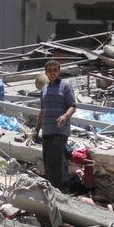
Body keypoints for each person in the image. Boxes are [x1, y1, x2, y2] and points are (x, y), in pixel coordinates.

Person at [34, 60, 77, 189]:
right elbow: (42, 111)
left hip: (60, 130)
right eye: (49, 70)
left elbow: (73, 106)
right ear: (46, 73)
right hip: (47, 131)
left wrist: (65, 116)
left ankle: (60, 190)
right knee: (48, 163)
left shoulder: (66, 86)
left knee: (56, 162)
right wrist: (36, 130)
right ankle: (53, 189)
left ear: (59, 71)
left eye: (55, 70)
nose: (52, 73)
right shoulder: (44, 89)